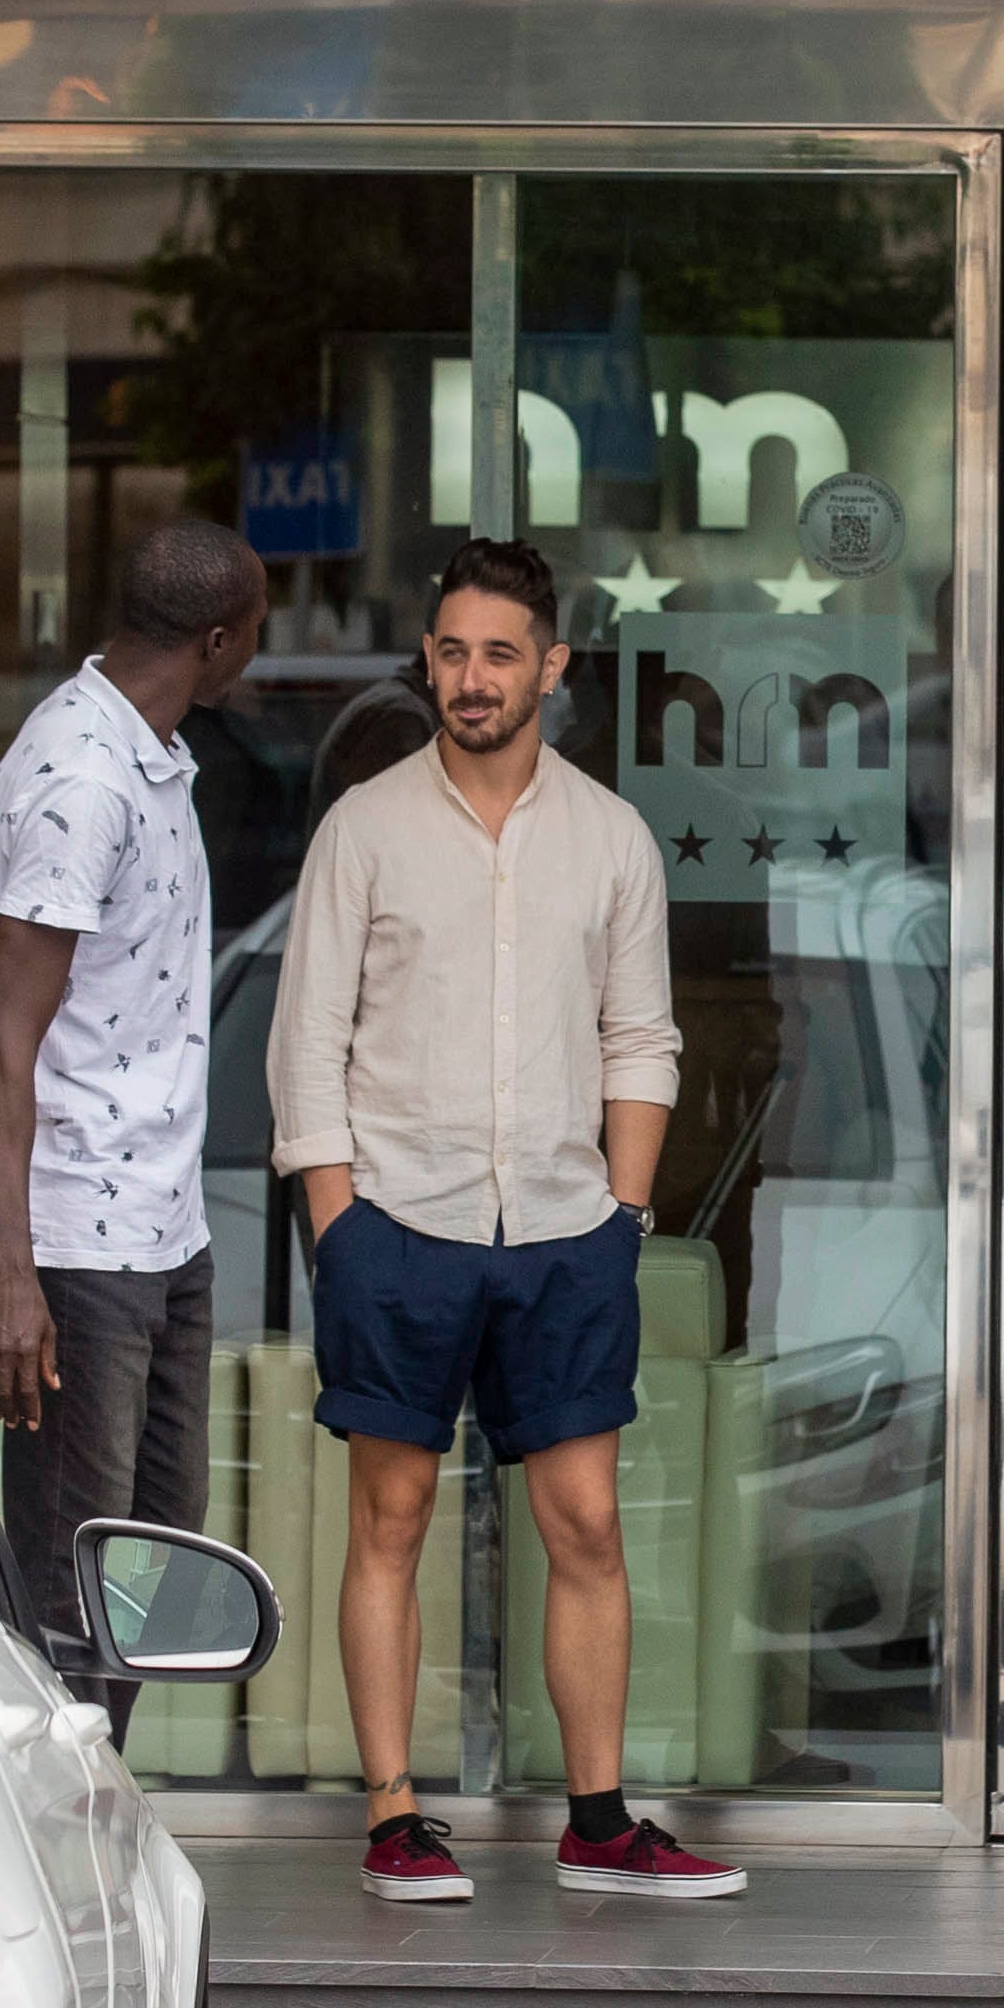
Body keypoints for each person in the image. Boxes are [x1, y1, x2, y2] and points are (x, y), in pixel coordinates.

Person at [269, 536, 737, 1903]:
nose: (471, 679)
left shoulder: (610, 835)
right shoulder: (365, 826)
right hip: (394, 1225)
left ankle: (598, 1817)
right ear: (429, 660)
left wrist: (623, 1210)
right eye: (452, 651)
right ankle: (395, 1811)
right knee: (392, 1513)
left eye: (499, 653)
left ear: (552, 666)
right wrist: (338, 1220)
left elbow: (643, 1037)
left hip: (563, 1228)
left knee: (586, 1519)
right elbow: (309, 1048)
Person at [0, 519, 269, 1703]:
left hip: (155, 1228)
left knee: (145, 1581)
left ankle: (102, 1831)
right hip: (75, 1252)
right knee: (69, 1594)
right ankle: (52, 1856)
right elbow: (6, 1036)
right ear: (218, 636)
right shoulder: (83, 781)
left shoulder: (147, 751)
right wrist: (15, 1274)